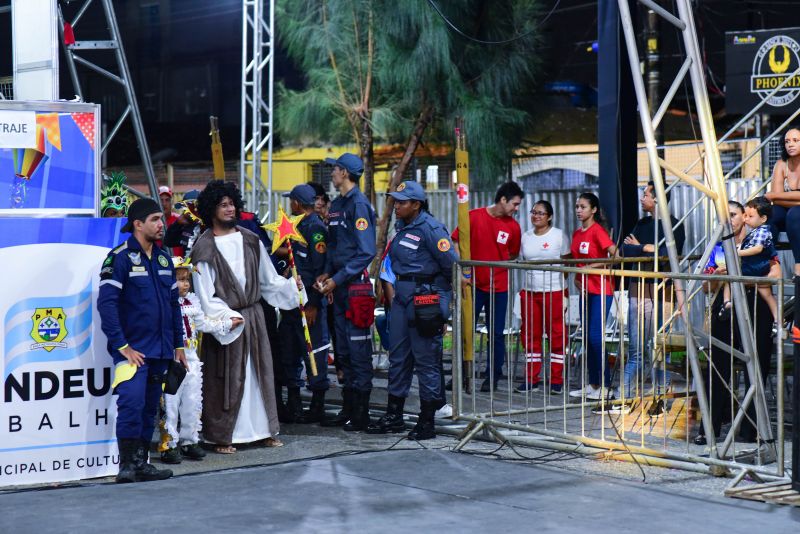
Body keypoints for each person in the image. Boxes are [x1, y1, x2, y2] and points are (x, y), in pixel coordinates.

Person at [191, 180, 304, 454]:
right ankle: (223, 435)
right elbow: (204, 295)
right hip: (230, 323)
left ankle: (263, 431)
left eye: (232, 204)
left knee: (259, 375)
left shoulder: (251, 240)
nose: (229, 209)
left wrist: (292, 288)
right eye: (223, 205)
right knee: (227, 380)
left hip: (254, 319)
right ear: (211, 210)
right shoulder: (204, 248)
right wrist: (226, 318)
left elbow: (269, 281)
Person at [97, 197, 187, 483]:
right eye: (155, 220)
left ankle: (142, 463)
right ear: (138, 224)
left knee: (150, 408)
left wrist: (178, 345)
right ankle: (126, 466)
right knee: (132, 405)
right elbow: (106, 305)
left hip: (161, 350)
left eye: (162, 219)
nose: (162, 224)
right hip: (132, 352)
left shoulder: (163, 258)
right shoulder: (119, 258)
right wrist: (123, 346)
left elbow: (174, 305)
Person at [366, 181, 457, 439]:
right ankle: (394, 415)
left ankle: (426, 421)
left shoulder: (431, 228)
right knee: (398, 357)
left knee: (426, 361)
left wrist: (441, 303)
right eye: (395, 201)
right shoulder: (402, 227)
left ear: (416, 205)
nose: (396, 206)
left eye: (402, 202)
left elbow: (452, 266)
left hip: (425, 299)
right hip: (402, 299)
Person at [695, 200, 777, 445]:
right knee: (718, 367)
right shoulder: (719, 248)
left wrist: (746, 279)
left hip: (756, 305)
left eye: (732, 214)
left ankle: (752, 430)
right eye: (724, 215)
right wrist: (717, 276)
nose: (727, 219)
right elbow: (705, 287)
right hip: (727, 306)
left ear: (745, 217)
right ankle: (709, 428)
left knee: (758, 366)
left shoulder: (759, 242)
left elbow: (776, 273)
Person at [316, 153, 377, 431]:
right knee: (342, 351)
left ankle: (361, 414)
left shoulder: (360, 205)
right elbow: (334, 244)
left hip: (355, 289)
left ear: (345, 173)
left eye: (335, 169)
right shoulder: (338, 204)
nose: (332, 173)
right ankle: (348, 409)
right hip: (339, 287)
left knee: (358, 351)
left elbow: (366, 252)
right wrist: (327, 273)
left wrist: (337, 279)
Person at [160, 257, 237, 464]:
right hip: (172, 360)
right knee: (170, 403)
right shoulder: (165, 303)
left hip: (192, 359)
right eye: (179, 279)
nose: (184, 284)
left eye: (186, 279)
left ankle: (189, 440)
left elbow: (203, 323)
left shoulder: (192, 301)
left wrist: (226, 323)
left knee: (192, 401)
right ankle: (169, 443)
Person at [451, 181, 523, 393]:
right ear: (503, 200)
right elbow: (455, 240)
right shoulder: (473, 216)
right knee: (465, 330)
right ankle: (461, 375)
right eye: (515, 204)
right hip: (472, 285)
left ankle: (492, 377)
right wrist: (464, 269)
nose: (516, 209)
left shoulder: (513, 227)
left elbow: (513, 253)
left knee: (496, 334)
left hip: (498, 287)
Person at [618, 182, 685, 406]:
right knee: (637, 349)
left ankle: (660, 398)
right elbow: (626, 249)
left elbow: (671, 253)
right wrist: (649, 248)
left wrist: (644, 247)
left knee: (661, 348)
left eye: (645, 194)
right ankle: (625, 398)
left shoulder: (675, 225)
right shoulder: (642, 223)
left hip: (663, 292)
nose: (642, 198)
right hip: (639, 288)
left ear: (657, 198)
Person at [277, 184, 331, 424]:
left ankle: (317, 404)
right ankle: (295, 402)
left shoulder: (316, 228)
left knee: (314, 352)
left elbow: (320, 270)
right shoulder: (295, 226)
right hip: (291, 301)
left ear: (297, 203)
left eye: (292, 201)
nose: (291, 205)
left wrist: (315, 304)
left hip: (309, 303)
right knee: (288, 351)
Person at [517, 200, 570, 394]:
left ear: (549, 217)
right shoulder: (525, 237)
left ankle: (556, 379)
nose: (536, 216)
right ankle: (531, 379)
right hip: (530, 292)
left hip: (554, 291)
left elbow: (567, 263)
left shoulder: (558, 236)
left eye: (540, 213)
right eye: (533, 212)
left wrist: (559, 287)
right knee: (530, 335)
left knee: (557, 335)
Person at [568, 192, 617, 401]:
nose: (579, 210)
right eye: (577, 206)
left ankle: (605, 385)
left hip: (601, 290)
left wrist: (591, 266)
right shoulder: (577, 233)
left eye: (583, 207)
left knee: (596, 338)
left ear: (594, 210)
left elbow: (615, 255)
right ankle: (593, 383)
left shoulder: (597, 231)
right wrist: (577, 277)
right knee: (587, 338)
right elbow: (576, 261)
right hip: (585, 290)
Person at [719, 197, 781, 334]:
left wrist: (737, 253)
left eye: (750, 216)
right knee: (767, 294)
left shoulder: (762, 231)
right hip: (757, 267)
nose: (746, 219)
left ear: (763, 218)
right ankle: (778, 319)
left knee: (730, 277)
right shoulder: (755, 232)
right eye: (745, 216)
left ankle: (727, 302)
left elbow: (757, 249)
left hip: (757, 266)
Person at [766, 126, 800, 277]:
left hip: (793, 213)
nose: (790, 144)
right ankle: (769, 263)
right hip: (785, 208)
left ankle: (798, 265)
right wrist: (776, 197)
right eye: (787, 141)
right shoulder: (781, 164)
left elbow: (775, 196)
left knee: (793, 214)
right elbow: (776, 199)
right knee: (770, 214)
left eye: (795, 140)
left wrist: (775, 196)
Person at [163, 189, 201, 257]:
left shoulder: (208, 226)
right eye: (184, 208)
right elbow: (168, 241)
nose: (185, 211)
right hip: (187, 266)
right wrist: (177, 223)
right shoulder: (185, 225)